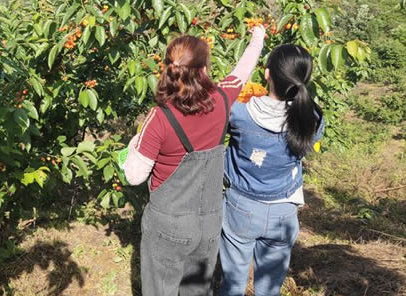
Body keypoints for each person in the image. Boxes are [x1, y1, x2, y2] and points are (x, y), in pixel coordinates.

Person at [123, 26, 266, 296]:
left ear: (168, 67)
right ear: (203, 69)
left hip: (168, 223)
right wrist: (257, 37)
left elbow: (134, 175)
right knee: (197, 291)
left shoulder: (160, 117)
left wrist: (135, 142)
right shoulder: (223, 98)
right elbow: (242, 70)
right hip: (209, 220)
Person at [219, 44, 324, 296]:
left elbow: (220, 106)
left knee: (232, 283)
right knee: (269, 289)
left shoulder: (240, 112)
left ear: (267, 75)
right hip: (283, 212)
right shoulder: (312, 117)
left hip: (240, 207)